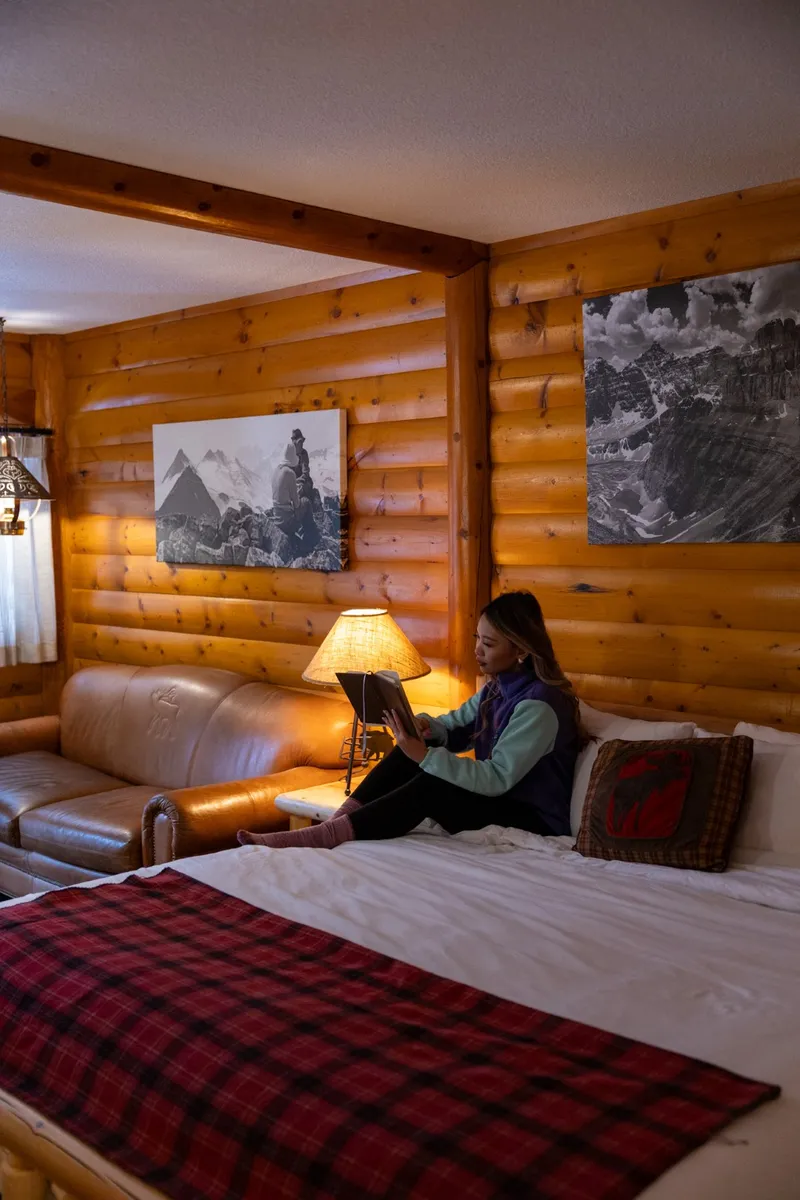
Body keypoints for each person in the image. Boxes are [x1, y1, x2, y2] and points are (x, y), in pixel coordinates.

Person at [238, 590, 585, 850]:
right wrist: (424, 728)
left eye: (489, 644)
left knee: (431, 780)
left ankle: (328, 833)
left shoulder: (539, 707)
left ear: (521, 650)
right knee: (415, 751)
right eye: (477, 637)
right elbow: (456, 727)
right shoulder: (497, 689)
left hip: (530, 817)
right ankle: (335, 823)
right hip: (498, 801)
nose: (477, 649)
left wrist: (425, 756)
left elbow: (495, 778)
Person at [271, 441, 320, 551]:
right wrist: (298, 490)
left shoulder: (276, 471)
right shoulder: (290, 473)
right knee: (306, 502)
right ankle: (311, 537)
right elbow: (297, 504)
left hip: (276, 519)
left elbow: (282, 491)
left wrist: (293, 485)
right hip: (287, 523)